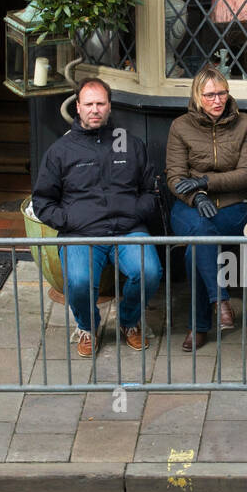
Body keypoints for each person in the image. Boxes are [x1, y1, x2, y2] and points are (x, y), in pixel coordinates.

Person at [32, 78, 161, 355]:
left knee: (149, 272)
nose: (95, 109)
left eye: (100, 103)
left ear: (109, 107)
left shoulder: (129, 144)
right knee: (78, 282)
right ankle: (87, 327)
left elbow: (150, 191)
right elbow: (42, 201)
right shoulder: (61, 151)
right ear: (77, 107)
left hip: (128, 229)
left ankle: (129, 321)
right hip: (81, 234)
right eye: (88, 104)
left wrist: (134, 214)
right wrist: (70, 221)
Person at [166, 65, 247, 351]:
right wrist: (197, 197)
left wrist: (205, 182)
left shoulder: (245, 124)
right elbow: (175, 177)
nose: (217, 100)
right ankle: (220, 300)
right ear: (197, 96)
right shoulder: (180, 126)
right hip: (188, 207)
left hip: (232, 207)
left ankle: (199, 326)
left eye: (222, 93)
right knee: (200, 231)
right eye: (209, 95)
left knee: (196, 247)